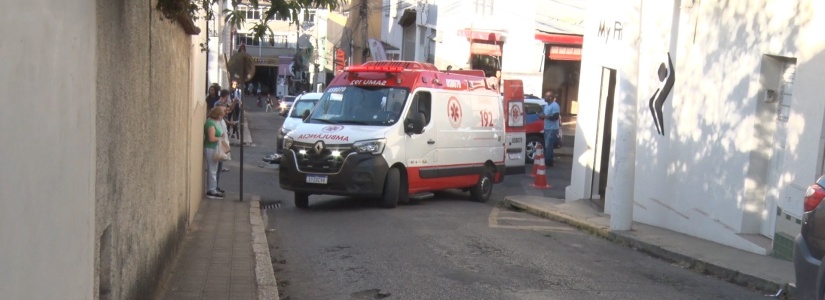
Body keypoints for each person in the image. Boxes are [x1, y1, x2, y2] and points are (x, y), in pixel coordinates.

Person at [204, 107, 226, 199]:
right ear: (218, 115)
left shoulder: (213, 122)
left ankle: (213, 188)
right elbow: (211, 138)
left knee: (214, 169)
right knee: (212, 169)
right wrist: (221, 138)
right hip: (211, 148)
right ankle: (212, 190)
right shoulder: (210, 123)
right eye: (221, 115)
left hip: (214, 148)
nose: (221, 117)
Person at [538, 91, 561, 167]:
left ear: (551, 97)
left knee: (548, 145)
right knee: (548, 146)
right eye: (545, 96)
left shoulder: (555, 105)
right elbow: (545, 115)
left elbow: (556, 116)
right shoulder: (546, 105)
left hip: (552, 128)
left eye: (547, 96)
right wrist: (541, 116)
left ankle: (548, 162)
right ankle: (549, 161)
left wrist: (545, 117)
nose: (545, 97)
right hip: (547, 128)